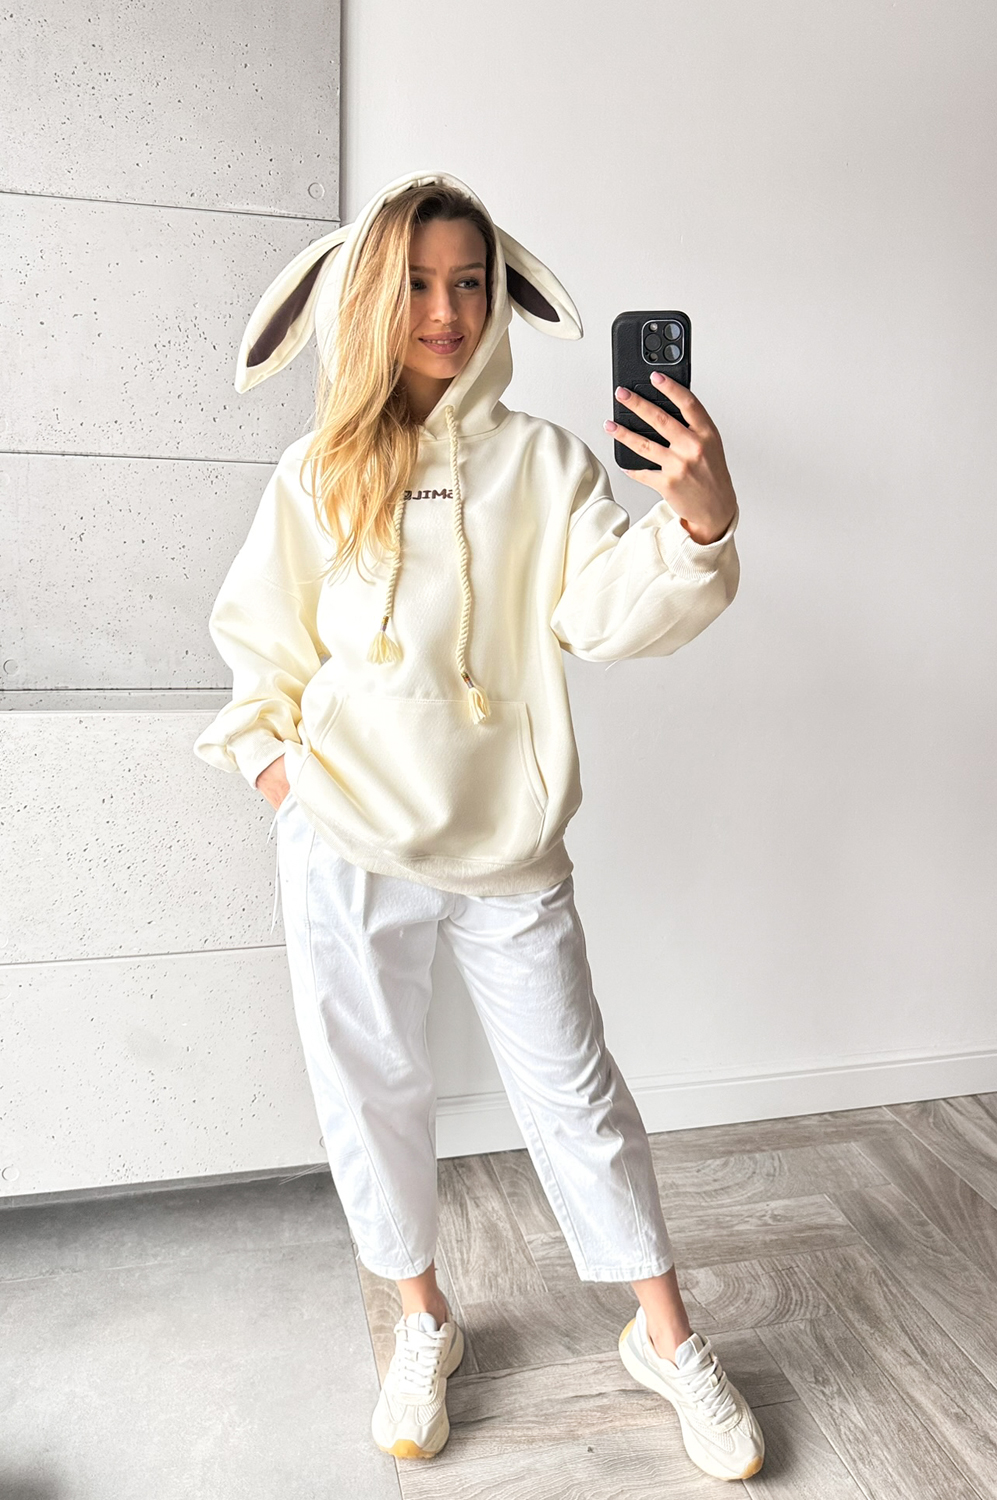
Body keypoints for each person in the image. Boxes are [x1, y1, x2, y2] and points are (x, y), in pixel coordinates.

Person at [192, 169, 764, 1483]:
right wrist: (287, 785)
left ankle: (665, 1337)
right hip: (345, 846)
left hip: (506, 850)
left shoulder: (543, 464)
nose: (446, 312)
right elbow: (258, 654)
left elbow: (608, 612)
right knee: (369, 1092)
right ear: (366, 298)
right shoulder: (316, 472)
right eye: (415, 285)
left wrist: (699, 518)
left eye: (468, 283)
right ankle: (423, 1320)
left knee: (575, 1094)